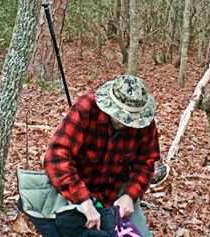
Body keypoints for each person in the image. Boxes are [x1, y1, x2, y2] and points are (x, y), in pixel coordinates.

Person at [43, 75, 161, 236]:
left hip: (116, 189)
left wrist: (130, 195)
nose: (127, 123)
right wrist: (83, 200)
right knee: (67, 227)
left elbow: (145, 164)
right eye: (122, 117)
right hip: (77, 185)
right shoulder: (86, 109)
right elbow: (56, 157)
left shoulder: (144, 122)